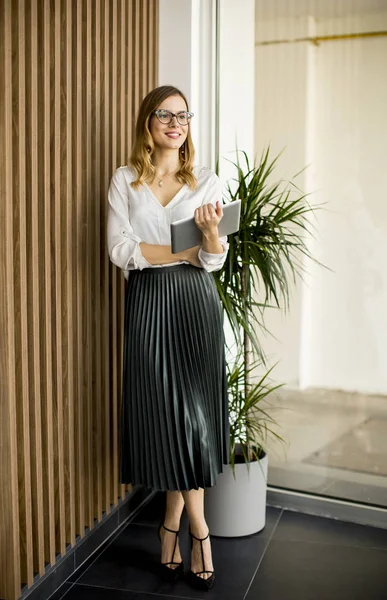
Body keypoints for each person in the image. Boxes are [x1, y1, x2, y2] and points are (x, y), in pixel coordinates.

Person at [107, 85, 230, 591]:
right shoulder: (124, 180)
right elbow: (120, 250)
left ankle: (175, 525)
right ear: (148, 122)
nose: (175, 123)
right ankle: (196, 528)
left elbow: (214, 257)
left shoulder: (207, 181)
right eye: (164, 114)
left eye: (182, 115)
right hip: (150, 305)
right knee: (171, 414)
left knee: (194, 416)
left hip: (196, 305)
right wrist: (185, 252)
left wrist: (210, 240)